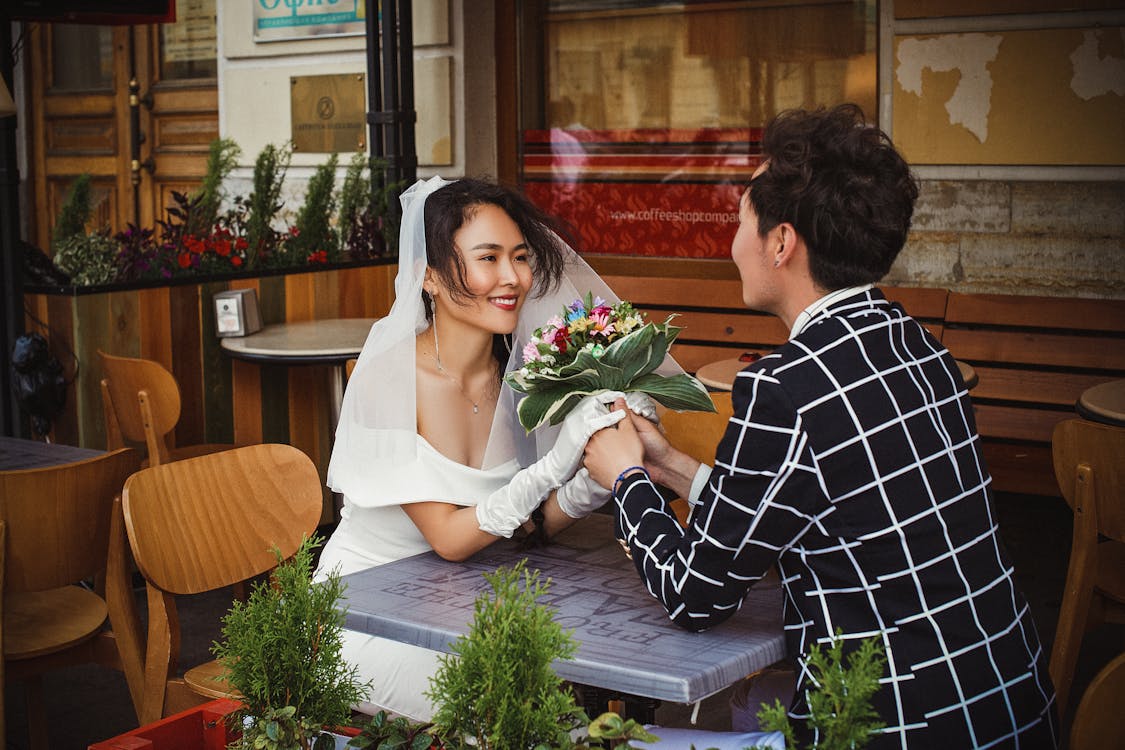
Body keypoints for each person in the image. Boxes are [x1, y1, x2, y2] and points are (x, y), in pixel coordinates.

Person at [584, 104, 1058, 749]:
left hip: (888, 724)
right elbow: (822, 508)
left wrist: (627, 480)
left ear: (781, 242)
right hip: (1012, 703)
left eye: (741, 220)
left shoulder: (784, 386)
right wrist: (669, 465)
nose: (732, 242)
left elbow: (697, 596)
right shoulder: (917, 348)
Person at [319, 176, 641, 720]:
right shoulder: (388, 377)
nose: (512, 277)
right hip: (366, 614)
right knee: (507, 700)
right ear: (429, 276)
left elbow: (523, 526)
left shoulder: (525, 379)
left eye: (519, 257)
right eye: (487, 258)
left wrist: (587, 484)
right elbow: (449, 536)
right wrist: (556, 463)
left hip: (461, 602)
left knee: (568, 679)